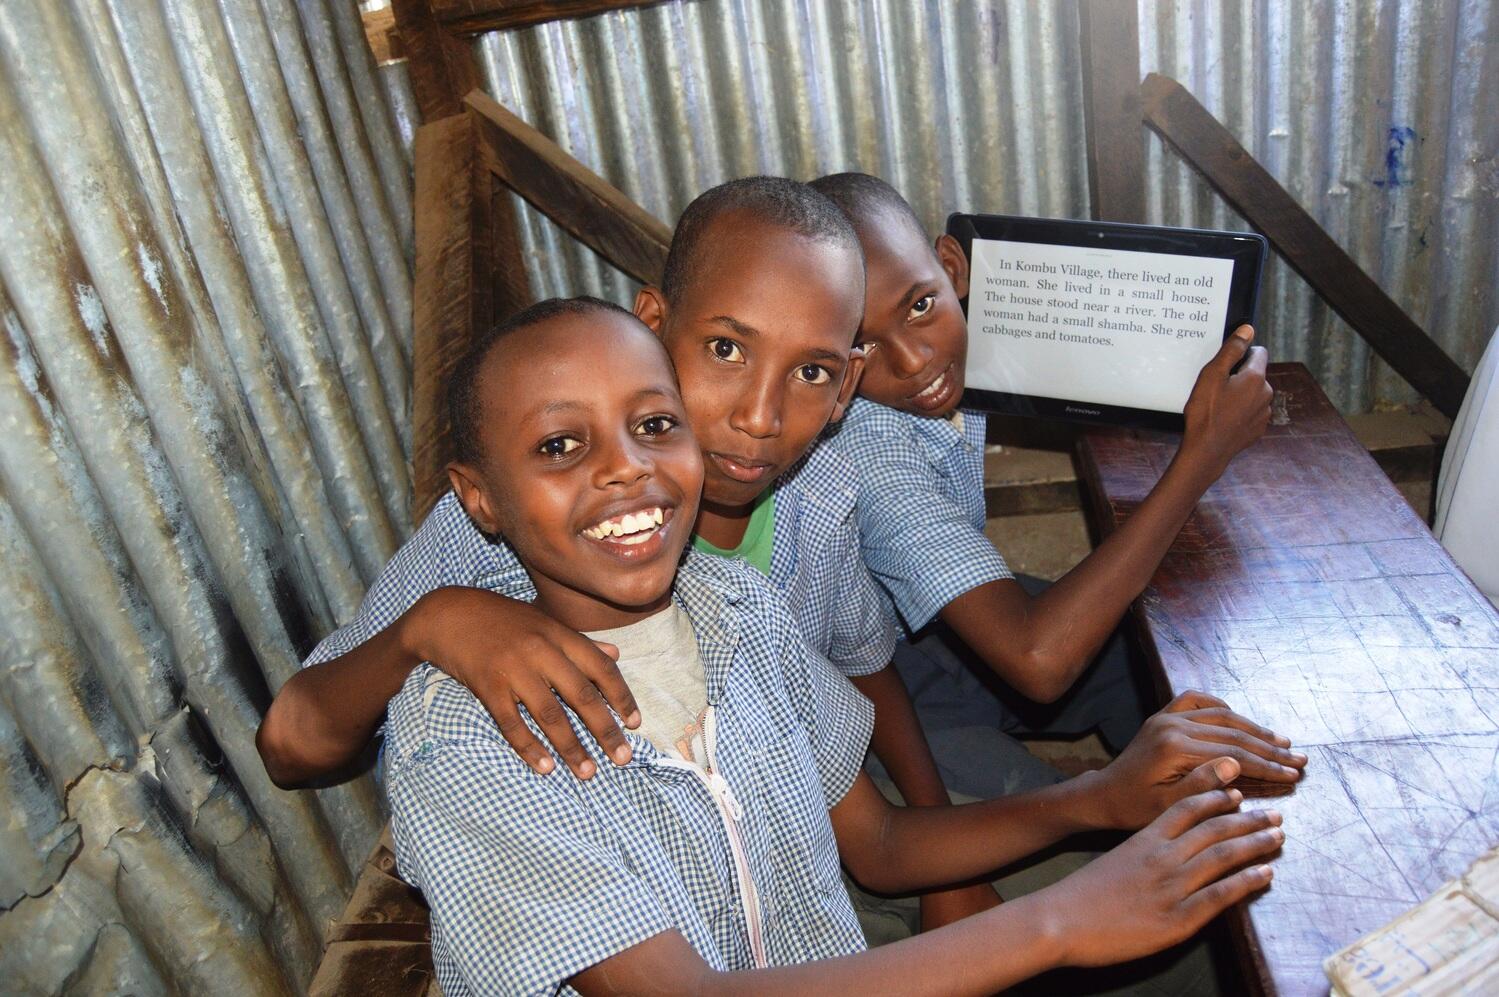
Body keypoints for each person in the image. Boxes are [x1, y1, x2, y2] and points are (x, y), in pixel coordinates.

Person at [385, 295, 1287, 995]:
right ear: (480, 498)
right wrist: (1057, 922)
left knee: (1218, 940)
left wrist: (1097, 797)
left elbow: (881, 843)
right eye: (559, 444)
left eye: (654, 425)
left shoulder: (737, 609)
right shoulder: (464, 742)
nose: (626, 466)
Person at [259, 177, 999, 927]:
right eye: (725, 350)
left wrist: (943, 859)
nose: (759, 417)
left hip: (781, 828)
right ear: (654, 325)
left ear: (844, 387)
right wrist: (433, 623)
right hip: (605, 888)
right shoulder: (522, 518)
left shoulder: (823, 493)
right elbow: (290, 744)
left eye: (810, 372)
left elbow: (865, 666)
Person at [810, 173, 1292, 801]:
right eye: (861, 343)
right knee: (1069, 826)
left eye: (920, 305)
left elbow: (1111, 329)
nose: (913, 360)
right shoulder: (868, 449)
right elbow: (1039, 662)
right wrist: (1203, 455)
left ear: (953, 268)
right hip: (869, 691)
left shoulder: (969, 339)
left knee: (1149, 657)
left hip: (940, 633)